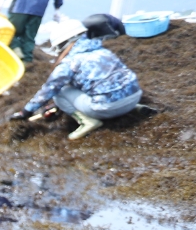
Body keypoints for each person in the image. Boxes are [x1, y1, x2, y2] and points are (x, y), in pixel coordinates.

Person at [8, 14, 139, 140]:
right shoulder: (102, 51)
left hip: (109, 108)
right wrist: (56, 107)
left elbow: (48, 89)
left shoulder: (69, 63)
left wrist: (25, 112)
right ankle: (136, 108)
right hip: (135, 98)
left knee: (60, 92)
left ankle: (88, 122)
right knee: (96, 85)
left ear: (65, 43)